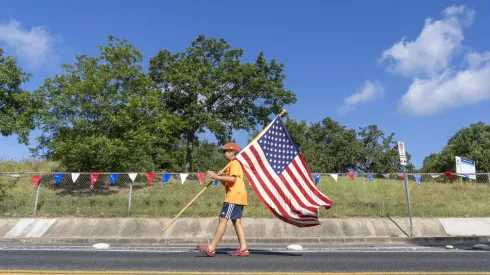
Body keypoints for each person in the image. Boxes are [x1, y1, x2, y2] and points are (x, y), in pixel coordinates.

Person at [197, 142, 249, 257]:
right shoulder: (232, 164)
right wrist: (220, 178)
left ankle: (211, 247)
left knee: (223, 219)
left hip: (233, 196)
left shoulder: (234, 163)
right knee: (237, 221)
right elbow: (227, 182)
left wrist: (216, 176)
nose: (223, 154)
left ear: (232, 152)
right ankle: (244, 248)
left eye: (225, 152)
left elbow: (233, 179)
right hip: (239, 195)